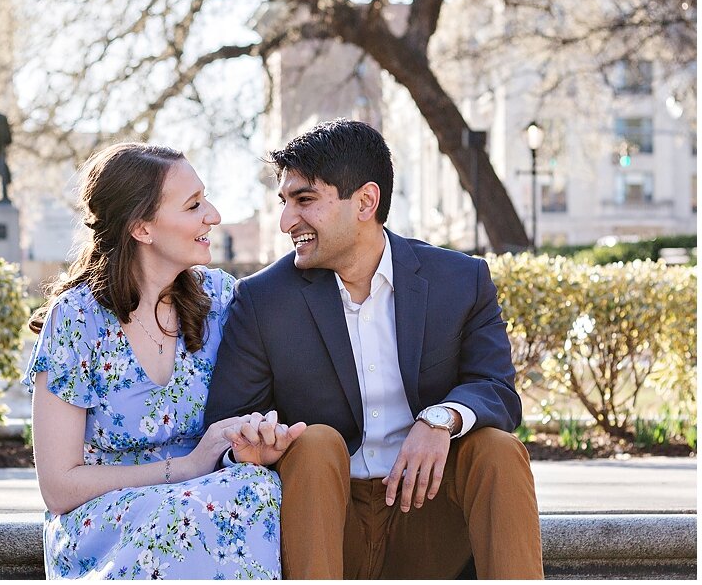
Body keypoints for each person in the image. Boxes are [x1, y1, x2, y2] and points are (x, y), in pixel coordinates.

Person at [204, 119, 543, 579]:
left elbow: (497, 390)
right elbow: (226, 426)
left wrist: (439, 419)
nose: (287, 221)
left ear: (365, 201)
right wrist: (251, 444)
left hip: (428, 518)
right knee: (316, 441)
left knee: (498, 449)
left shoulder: (460, 281)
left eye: (305, 200)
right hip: (324, 522)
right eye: (284, 202)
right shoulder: (263, 300)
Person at [23, 142, 304, 579]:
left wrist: (249, 442)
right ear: (142, 228)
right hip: (107, 521)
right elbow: (58, 487)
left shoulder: (221, 300)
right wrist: (187, 467)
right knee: (176, 517)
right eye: (193, 206)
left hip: (210, 496)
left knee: (256, 490)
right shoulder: (76, 319)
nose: (213, 215)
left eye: (204, 198)